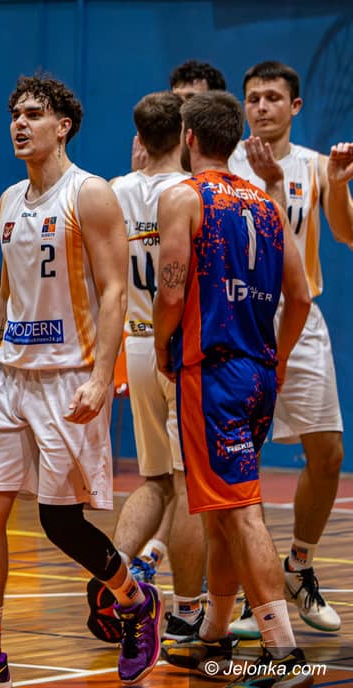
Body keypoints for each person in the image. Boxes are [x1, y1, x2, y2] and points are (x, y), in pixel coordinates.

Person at [0, 74, 161, 688]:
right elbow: (5, 297)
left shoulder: (91, 194)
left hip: (69, 377)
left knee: (60, 523)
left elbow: (116, 291)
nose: (20, 124)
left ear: (64, 126)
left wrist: (102, 378)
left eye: (34, 114)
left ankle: (134, 603)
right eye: (15, 115)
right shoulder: (8, 200)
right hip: (10, 379)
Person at [155, 90, 314, 685]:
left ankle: (283, 652)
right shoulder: (267, 204)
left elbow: (171, 291)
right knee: (221, 512)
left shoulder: (183, 197)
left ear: (190, 138)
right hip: (258, 373)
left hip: (213, 372)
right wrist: (279, 360)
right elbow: (300, 297)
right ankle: (215, 634)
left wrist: (165, 348)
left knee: (242, 511)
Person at [226, 61, 353, 638]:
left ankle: (298, 566)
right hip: (239, 317)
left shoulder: (317, 165)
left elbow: (346, 233)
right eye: (253, 97)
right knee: (239, 458)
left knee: (327, 452)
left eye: (273, 97)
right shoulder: (225, 164)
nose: (262, 107)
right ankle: (255, 594)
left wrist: (341, 184)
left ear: (295, 106)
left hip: (300, 314)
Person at [86, 91, 208, 647]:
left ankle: (113, 576)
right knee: (189, 485)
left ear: (138, 138)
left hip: (133, 343)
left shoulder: (113, 190)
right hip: (177, 346)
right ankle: (187, 611)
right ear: (185, 136)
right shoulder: (194, 192)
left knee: (153, 479)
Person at [133, 60, 227, 171]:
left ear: (216, 103)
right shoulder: (153, 153)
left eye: (191, 97)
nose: (180, 105)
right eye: (176, 97)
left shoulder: (240, 156)